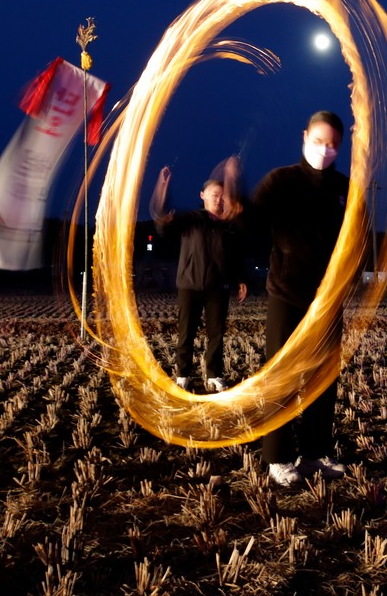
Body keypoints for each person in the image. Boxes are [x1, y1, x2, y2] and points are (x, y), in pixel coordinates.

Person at [249, 110, 353, 487]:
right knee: (280, 376)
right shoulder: (281, 181)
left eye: (333, 144)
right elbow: (251, 222)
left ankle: (314, 453)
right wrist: (233, 206)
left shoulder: (345, 189)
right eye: (318, 140)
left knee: (323, 378)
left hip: (327, 299)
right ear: (304, 135)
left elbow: (356, 238)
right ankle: (277, 457)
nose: (324, 149)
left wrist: (349, 280)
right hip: (286, 294)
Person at [150, 158, 248, 393]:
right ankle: (183, 373)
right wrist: (163, 187)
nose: (219, 199)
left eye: (223, 195)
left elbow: (234, 255)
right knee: (187, 332)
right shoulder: (191, 220)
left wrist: (240, 279)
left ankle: (214, 374)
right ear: (202, 195)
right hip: (190, 285)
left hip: (218, 287)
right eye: (214, 194)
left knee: (216, 333)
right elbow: (163, 223)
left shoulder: (228, 226)